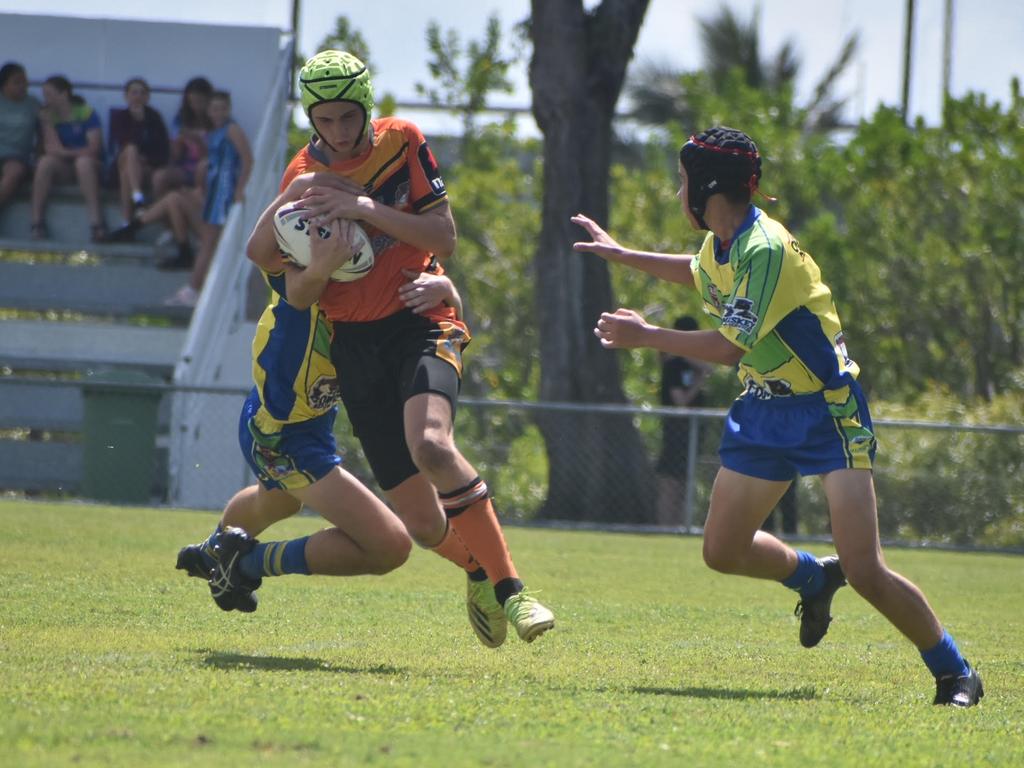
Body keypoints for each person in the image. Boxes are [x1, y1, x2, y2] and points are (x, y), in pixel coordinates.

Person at [572, 126, 982, 707]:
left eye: (683, 180)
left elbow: (727, 348)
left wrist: (645, 336)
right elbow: (695, 272)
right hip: (764, 409)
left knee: (865, 569)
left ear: (707, 186)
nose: (677, 190)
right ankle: (813, 578)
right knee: (722, 550)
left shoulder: (763, 247)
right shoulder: (723, 242)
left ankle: (956, 671)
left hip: (826, 410)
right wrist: (621, 254)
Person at [244, 50, 555, 647]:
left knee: (433, 446)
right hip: (354, 348)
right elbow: (264, 255)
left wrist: (366, 209)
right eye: (324, 119)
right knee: (421, 523)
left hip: (420, 321)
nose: (337, 132)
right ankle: (477, 574)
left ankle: (514, 592)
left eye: (347, 117)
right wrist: (308, 195)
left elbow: (444, 236)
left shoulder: (404, 142)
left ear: (366, 106)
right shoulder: (305, 173)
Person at [176, 216, 415, 609]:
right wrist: (320, 258)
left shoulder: (349, 295)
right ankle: (245, 563)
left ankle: (213, 551)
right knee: (390, 544)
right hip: (281, 436)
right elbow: (261, 250)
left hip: (288, 426)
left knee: (279, 502)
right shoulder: (300, 292)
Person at [165, 90, 252, 303]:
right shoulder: (213, 131)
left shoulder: (232, 129)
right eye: (215, 108)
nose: (218, 112)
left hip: (225, 189)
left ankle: (193, 289)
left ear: (228, 109)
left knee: (209, 240)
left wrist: (240, 189)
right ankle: (198, 288)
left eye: (223, 108)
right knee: (208, 239)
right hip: (213, 189)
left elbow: (247, 159)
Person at [30, 75, 105, 241]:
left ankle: (96, 223)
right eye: (44, 95)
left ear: (64, 94)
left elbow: (93, 148)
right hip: (64, 167)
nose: (46, 99)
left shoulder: (85, 112)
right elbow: (51, 149)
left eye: (49, 95)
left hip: (90, 166)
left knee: (83, 163)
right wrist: (48, 124)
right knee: (45, 162)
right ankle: (37, 222)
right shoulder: (48, 116)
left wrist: (65, 153)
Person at [655, 315, 709, 527]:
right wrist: (700, 380)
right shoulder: (673, 366)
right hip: (676, 433)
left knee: (685, 482)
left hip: (691, 435)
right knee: (670, 483)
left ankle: (680, 525)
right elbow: (681, 402)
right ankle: (665, 525)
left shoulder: (689, 365)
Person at [106, 77, 170, 224]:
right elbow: (124, 142)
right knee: (130, 151)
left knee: (128, 170)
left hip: (146, 167)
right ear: (126, 96)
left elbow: (162, 149)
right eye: (134, 93)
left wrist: (145, 160)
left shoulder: (155, 117)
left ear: (147, 97)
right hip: (121, 164)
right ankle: (137, 198)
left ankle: (127, 219)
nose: (138, 97)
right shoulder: (120, 117)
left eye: (142, 93)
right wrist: (138, 123)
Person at [152, 76, 212, 199]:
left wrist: (199, 141)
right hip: (185, 168)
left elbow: (212, 155)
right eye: (192, 102)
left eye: (200, 101)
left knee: (203, 167)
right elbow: (175, 156)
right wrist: (178, 143)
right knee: (159, 176)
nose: (196, 106)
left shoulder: (216, 121)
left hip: (207, 169)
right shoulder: (180, 120)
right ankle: (161, 211)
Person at [0, 62, 40, 211]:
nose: (23, 85)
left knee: (13, 172)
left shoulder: (33, 104)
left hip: (16, 156)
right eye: (17, 82)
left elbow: (43, 133)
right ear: (4, 84)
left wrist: (38, 158)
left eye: (25, 81)